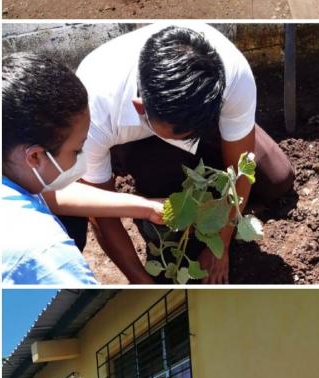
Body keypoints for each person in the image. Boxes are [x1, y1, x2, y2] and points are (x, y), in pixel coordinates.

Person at [73, 23, 294, 284]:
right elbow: (99, 209)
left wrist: (220, 243)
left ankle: (201, 142)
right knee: (172, 221)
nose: (189, 142)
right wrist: (142, 282)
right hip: (133, 139)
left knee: (279, 179)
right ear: (140, 108)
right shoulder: (93, 110)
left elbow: (240, 170)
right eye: (181, 136)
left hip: (196, 117)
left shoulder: (230, 72)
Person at [1, 53, 165, 285]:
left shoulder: (10, 163)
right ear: (35, 156)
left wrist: (146, 208)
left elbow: (50, 194)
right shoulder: (46, 254)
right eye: (77, 150)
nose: (82, 158)